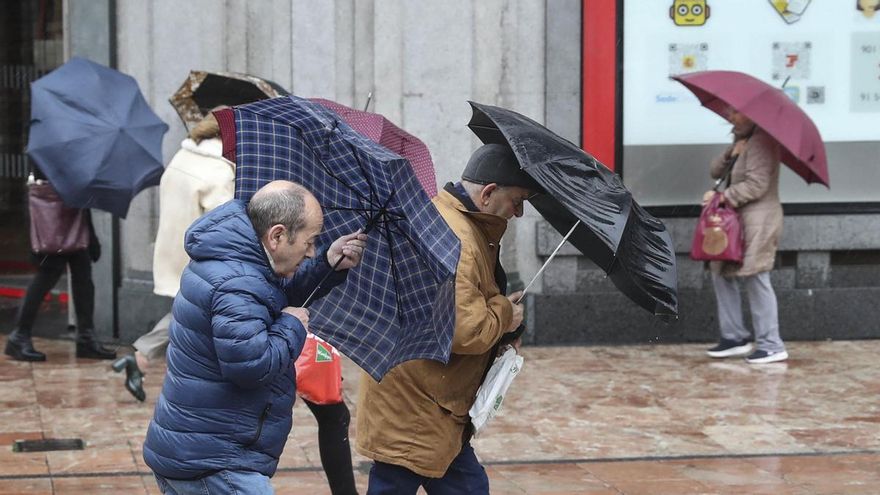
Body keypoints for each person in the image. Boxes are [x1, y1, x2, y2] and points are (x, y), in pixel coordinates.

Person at [143, 180, 367, 494]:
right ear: (277, 235)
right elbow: (251, 365)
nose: (312, 249)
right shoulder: (237, 283)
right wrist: (292, 326)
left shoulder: (240, 262)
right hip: (216, 463)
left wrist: (327, 263)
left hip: (197, 449)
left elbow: (269, 297)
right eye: (310, 240)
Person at [355, 143, 536, 494]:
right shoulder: (461, 239)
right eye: (517, 200)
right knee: (402, 483)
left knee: (467, 487)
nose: (519, 213)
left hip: (430, 400)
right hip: (418, 406)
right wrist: (505, 315)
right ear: (487, 193)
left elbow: (457, 306)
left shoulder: (451, 220)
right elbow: (467, 330)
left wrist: (500, 314)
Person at [112, 112, 234, 401]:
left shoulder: (183, 157)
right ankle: (149, 360)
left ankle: (140, 357)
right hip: (203, 258)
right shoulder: (218, 171)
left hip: (174, 248)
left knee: (189, 312)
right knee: (197, 314)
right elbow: (225, 221)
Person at [4, 165, 116, 362]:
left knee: (83, 277)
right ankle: (19, 336)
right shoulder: (49, 146)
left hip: (73, 220)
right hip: (55, 221)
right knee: (47, 276)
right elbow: (48, 180)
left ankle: (85, 337)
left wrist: (91, 234)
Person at [704, 109, 788, 364]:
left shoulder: (763, 141)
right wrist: (732, 152)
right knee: (721, 272)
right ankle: (734, 337)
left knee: (756, 276)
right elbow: (715, 171)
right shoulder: (743, 140)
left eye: (737, 113)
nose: (731, 116)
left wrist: (722, 197)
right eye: (729, 111)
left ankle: (771, 344)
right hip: (735, 221)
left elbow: (757, 184)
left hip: (758, 220)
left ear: (753, 115)